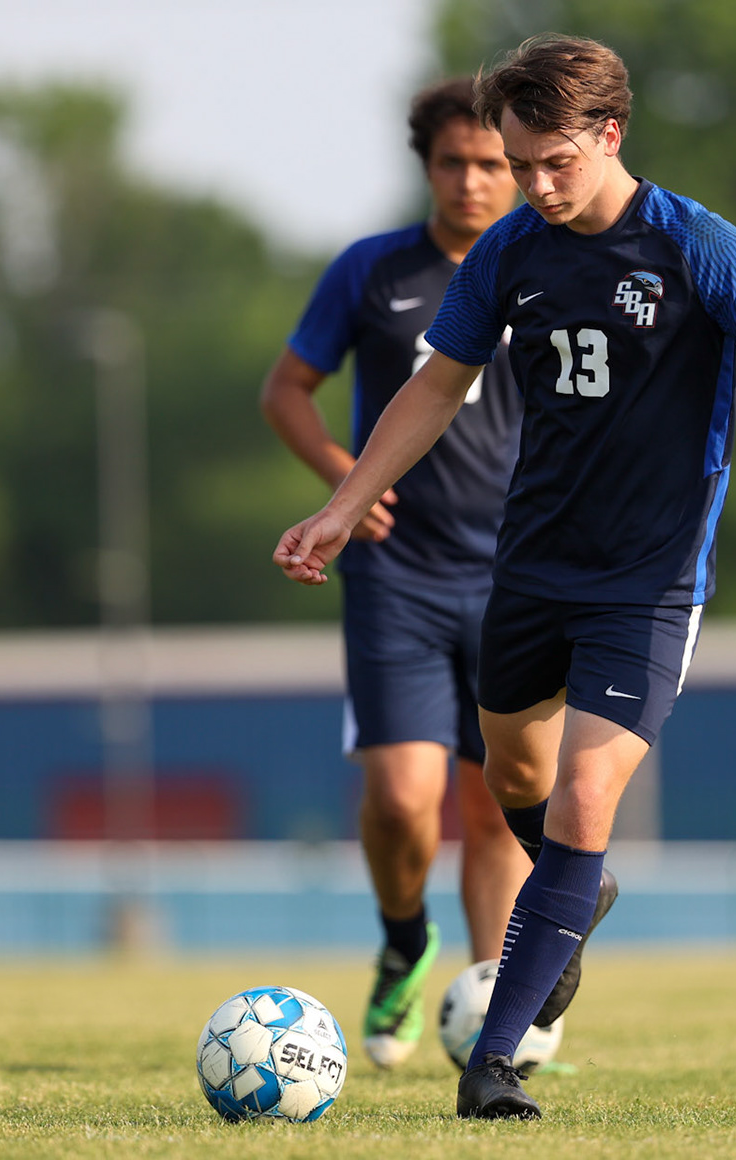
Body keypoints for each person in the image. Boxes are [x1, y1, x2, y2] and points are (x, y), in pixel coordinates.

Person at [274, 35, 736, 1118]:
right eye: (518, 160)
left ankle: (494, 1059)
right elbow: (433, 389)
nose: (533, 184)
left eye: (552, 161)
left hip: (646, 584)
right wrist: (342, 503)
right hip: (531, 568)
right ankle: (572, 893)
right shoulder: (511, 254)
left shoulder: (697, 245)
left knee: (588, 793)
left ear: (610, 135)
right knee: (517, 786)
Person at [260, 77, 533, 1069]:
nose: (473, 181)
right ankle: (404, 934)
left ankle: (497, 1024)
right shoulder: (371, 272)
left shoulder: (544, 271)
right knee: (404, 798)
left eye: (492, 164)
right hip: (399, 577)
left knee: (497, 806)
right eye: (455, 162)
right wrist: (343, 478)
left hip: (518, 578)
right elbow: (286, 389)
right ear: (428, 166)